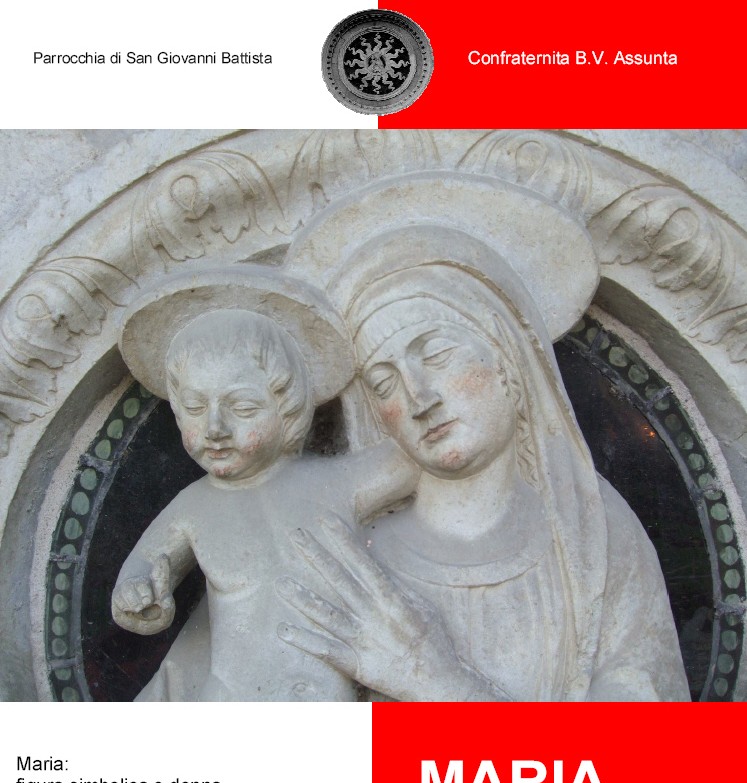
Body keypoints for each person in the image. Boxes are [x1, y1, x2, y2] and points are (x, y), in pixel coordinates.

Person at [275, 224, 691, 701]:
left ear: (506, 360)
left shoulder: (594, 536)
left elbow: (648, 745)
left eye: (437, 354)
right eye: (385, 383)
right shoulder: (352, 558)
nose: (420, 398)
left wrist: (438, 684)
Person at [113, 302, 416, 701]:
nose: (215, 428)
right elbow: (144, 567)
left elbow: (416, 459)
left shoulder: (332, 483)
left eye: (242, 408)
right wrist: (137, 595)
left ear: (288, 409)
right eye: (195, 408)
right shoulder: (193, 507)